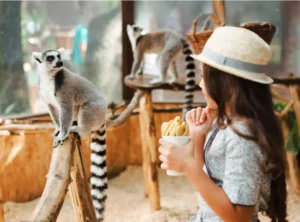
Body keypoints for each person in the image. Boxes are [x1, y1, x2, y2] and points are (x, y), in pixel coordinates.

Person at [158, 26, 287, 222]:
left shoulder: (243, 136)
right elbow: (210, 180)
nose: (200, 84)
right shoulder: (228, 123)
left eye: (203, 76)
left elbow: (239, 217)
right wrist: (198, 136)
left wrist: (187, 166)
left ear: (225, 81)